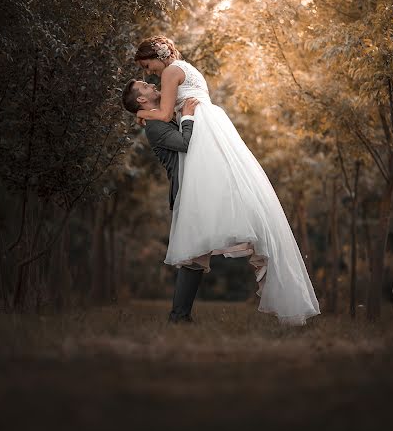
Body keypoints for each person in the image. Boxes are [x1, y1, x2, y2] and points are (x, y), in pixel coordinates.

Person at [131, 35, 320, 326]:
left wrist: (142, 112)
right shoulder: (185, 67)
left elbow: (168, 113)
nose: (149, 73)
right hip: (212, 128)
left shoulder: (170, 72)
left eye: (147, 66)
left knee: (199, 224)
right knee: (231, 212)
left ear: (158, 56)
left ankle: (180, 315)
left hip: (200, 133)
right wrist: (154, 113)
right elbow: (171, 116)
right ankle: (181, 314)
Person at [122, 79, 203, 323]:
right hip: (185, 191)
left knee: (197, 255)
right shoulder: (154, 127)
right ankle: (179, 316)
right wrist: (188, 117)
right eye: (145, 86)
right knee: (193, 255)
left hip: (196, 185)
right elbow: (186, 144)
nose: (151, 84)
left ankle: (180, 315)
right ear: (141, 100)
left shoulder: (157, 116)